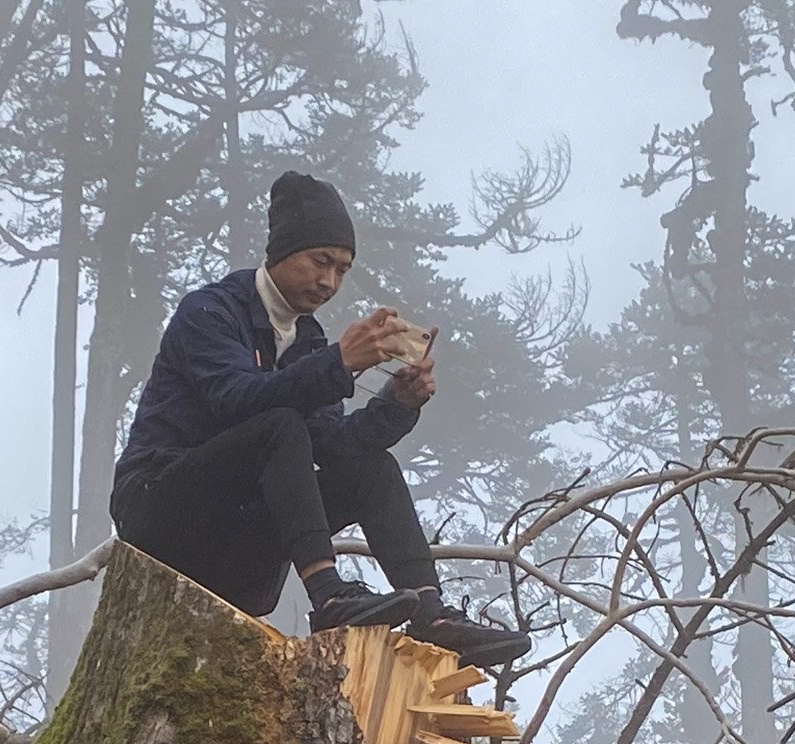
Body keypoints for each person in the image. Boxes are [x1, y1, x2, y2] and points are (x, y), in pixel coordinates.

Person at [110, 171, 534, 666]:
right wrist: (338, 363)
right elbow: (236, 399)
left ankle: (432, 616)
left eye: (342, 270)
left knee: (369, 467)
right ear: (281, 251)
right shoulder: (210, 311)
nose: (329, 282)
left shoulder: (306, 342)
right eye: (321, 261)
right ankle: (329, 595)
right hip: (158, 518)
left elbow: (333, 444)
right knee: (279, 426)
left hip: (235, 554)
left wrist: (397, 405)